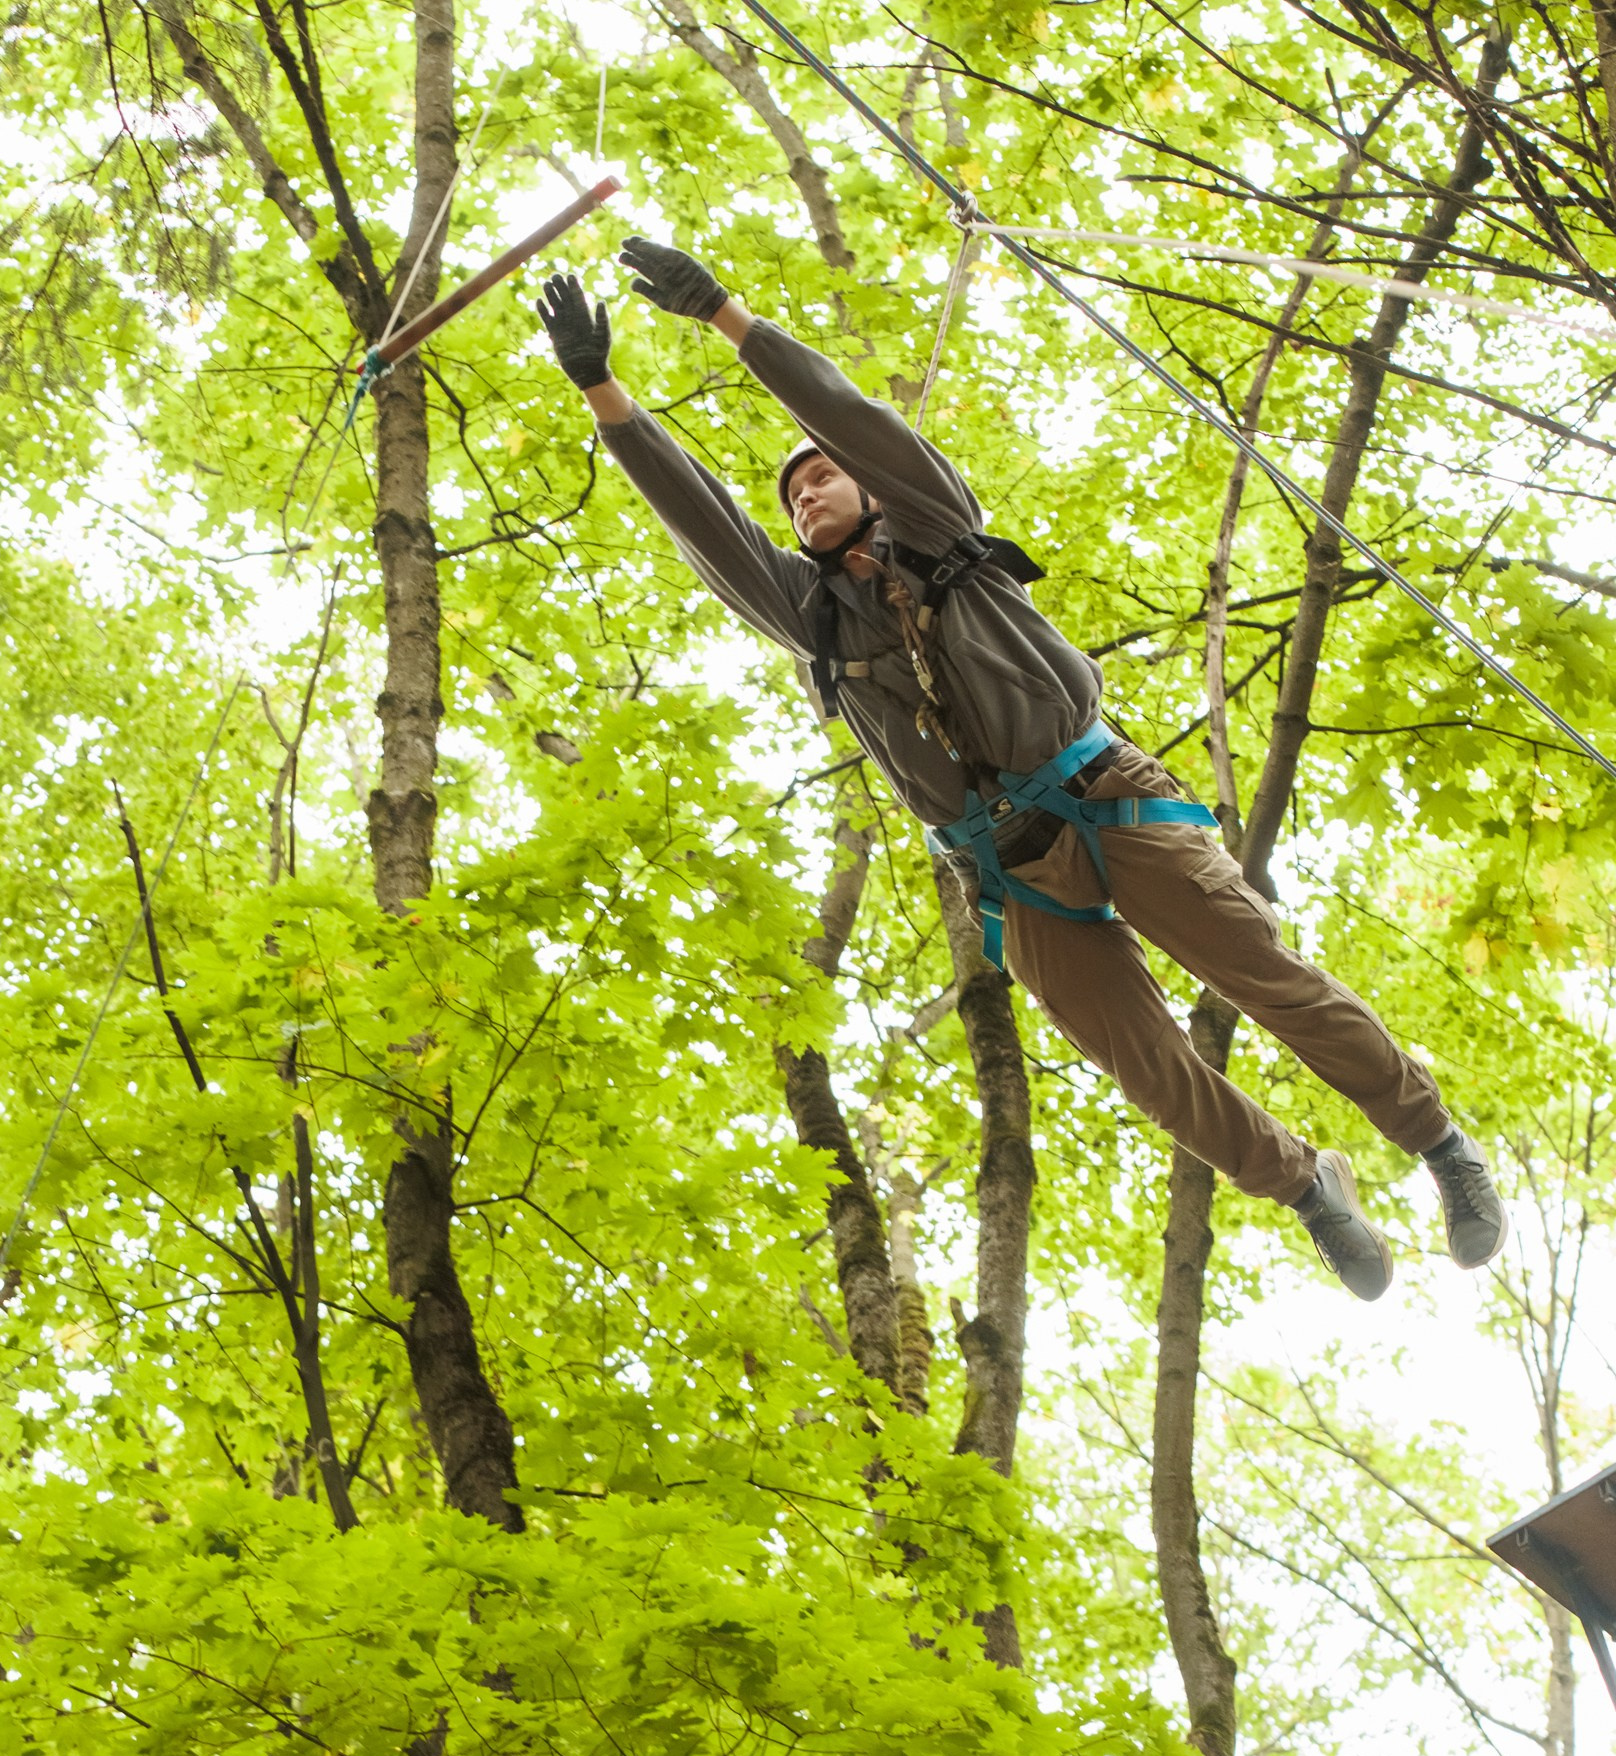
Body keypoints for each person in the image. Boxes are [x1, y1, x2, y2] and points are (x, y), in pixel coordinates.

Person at [534, 233, 1506, 1301]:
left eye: (820, 475)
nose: (805, 490)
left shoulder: (938, 527)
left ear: (870, 489)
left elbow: (853, 419)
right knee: (1148, 1071)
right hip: (999, 870)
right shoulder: (806, 615)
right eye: (791, 494)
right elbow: (703, 522)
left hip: (1107, 802)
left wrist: (725, 314)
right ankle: (1306, 1186)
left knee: (1264, 981)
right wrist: (603, 390)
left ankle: (1436, 1144)